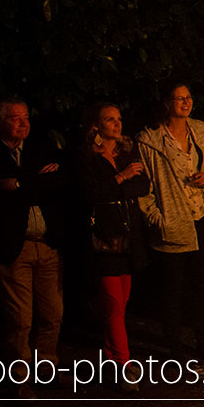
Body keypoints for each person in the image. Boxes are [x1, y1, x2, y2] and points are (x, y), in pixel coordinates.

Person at [0, 99, 68, 399]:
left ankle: (46, 368)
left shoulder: (39, 149)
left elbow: (58, 183)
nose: (23, 123)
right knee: (19, 318)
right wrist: (35, 181)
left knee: (53, 312)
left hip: (47, 244)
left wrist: (20, 184)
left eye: (25, 116)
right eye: (15, 118)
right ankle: (17, 378)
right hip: (12, 247)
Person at [136, 82, 204, 360]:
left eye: (189, 97)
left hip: (201, 216)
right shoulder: (150, 140)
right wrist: (156, 217)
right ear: (167, 102)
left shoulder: (201, 131)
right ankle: (173, 345)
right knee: (173, 288)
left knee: (203, 284)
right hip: (173, 220)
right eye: (179, 98)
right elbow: (143, 186)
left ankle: (203, 341)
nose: (186, 102)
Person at [78, 102, 150, 391]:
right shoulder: (87, 158)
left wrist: (119, 184)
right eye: (110, 119)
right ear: (96, 125)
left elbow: (142, 186)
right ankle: (124, 363)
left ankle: (112, 360)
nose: (117, 124)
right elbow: (89, 193)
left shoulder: (125, 153)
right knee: (113, 304)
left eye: (119, 118)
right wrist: (120, 179)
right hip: (104, 240)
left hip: (128, 237)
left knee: (121, 301)